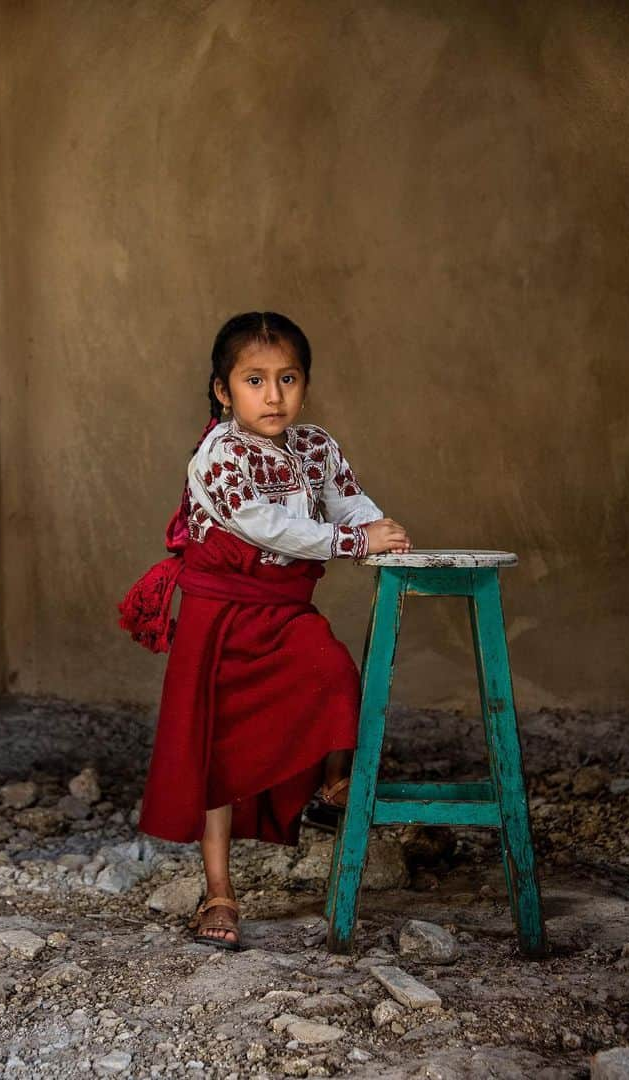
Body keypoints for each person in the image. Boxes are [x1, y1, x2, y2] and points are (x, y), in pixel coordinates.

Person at [117, 311, 412, 949]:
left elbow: (346, 497)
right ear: (224, 390)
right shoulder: (218, 457)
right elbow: (270, 526)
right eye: (254, 380)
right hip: (222, 616)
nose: (273, 395)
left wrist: (381, 528)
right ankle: (220, 890)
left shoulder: (315, 446)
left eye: (288, 378)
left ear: (304, 385)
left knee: (333, 673)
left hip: (282, 609)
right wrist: (353, 540)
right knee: (216, 752)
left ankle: (334, 783)